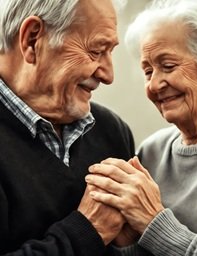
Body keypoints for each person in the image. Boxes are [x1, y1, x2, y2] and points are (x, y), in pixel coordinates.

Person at [85, 0, 197, 255]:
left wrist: (155, 225)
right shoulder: (152, 150)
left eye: (168, 66)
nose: (154, 85)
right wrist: (126, 242)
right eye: (147, 71)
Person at [0, 0, 135, 255]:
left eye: (110, 52)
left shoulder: (113, 131)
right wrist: (87, 231)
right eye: (96, 51)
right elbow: (92, 232)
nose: (108, 74)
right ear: (32, 40)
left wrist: (131, 244)